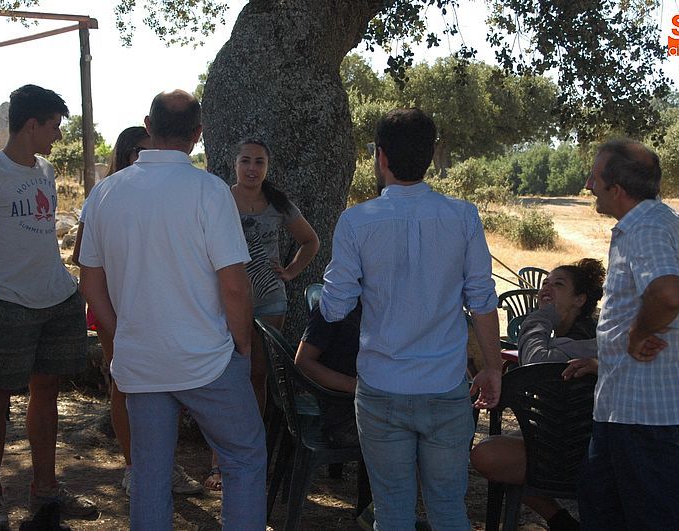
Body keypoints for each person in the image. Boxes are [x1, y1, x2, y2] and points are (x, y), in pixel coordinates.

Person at [78, 89, 266, 530]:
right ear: (198, 134)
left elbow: (91, 284)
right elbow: (235, 286)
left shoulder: (105, 193)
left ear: (149, 126)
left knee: (149, 476)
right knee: (243, 458)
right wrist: (242, 346)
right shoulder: (210, 191)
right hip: (207, 357)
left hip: (142, 360)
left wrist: (124, 333)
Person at [319, 107, 502, 529]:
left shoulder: (355, 221)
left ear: (380, 156)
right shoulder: (463, 216)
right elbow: (482, 300)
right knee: (449, 508)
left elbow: (335, 306)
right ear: (432, 155)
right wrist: (493, 366)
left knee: (392, 511)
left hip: (382, 385)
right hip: (445, 385)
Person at [0, 84, 97, 527]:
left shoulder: (45, 169)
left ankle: (45, 488)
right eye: (54, 126)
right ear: (32, 124)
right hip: (8, 303)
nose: (58, 134)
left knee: (47, 390)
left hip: (56, 299)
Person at [576, 139, 679, 530]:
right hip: (631, 400)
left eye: (595, 178)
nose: (589, 186)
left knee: (653, 518)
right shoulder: (668, 222)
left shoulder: (645, 229)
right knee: (604, 508)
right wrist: (608, 355)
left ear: (617, 189)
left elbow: (668, 292)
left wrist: (637, 333)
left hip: (640, 405)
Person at [72, 126, 202, 497]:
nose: (148, 156)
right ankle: (133, 467)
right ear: (127, 154)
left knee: (167, 381)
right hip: (113, 304)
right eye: (140, 151)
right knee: (124, 384)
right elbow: (81, 254)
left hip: (157, 302)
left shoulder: (162, 191)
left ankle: (164, 465)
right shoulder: (105, 193)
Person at [205, 138, 319, 491]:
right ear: (234, 164)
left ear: (267, 167)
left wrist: (290, 271)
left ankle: (251, 456)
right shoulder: (220, 198)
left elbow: (310, 241)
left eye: (259, 162)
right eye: (246, 161)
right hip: (227, 301)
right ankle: (218, 462)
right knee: (225, 377)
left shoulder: (279, 203)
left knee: (258, 376)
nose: (252, 168)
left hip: (270, 301)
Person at [470, 258, 605, 531]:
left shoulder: (587, 341)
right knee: (512, 440)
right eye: (545, 282)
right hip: (561, 438)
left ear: (579, 300)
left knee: (486, 455)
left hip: (578, 452)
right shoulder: (567, 338)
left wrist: (542, 315)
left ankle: (560, 520)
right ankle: (561, 522)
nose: (547, 288)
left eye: (558, 284)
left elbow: (536, 361)